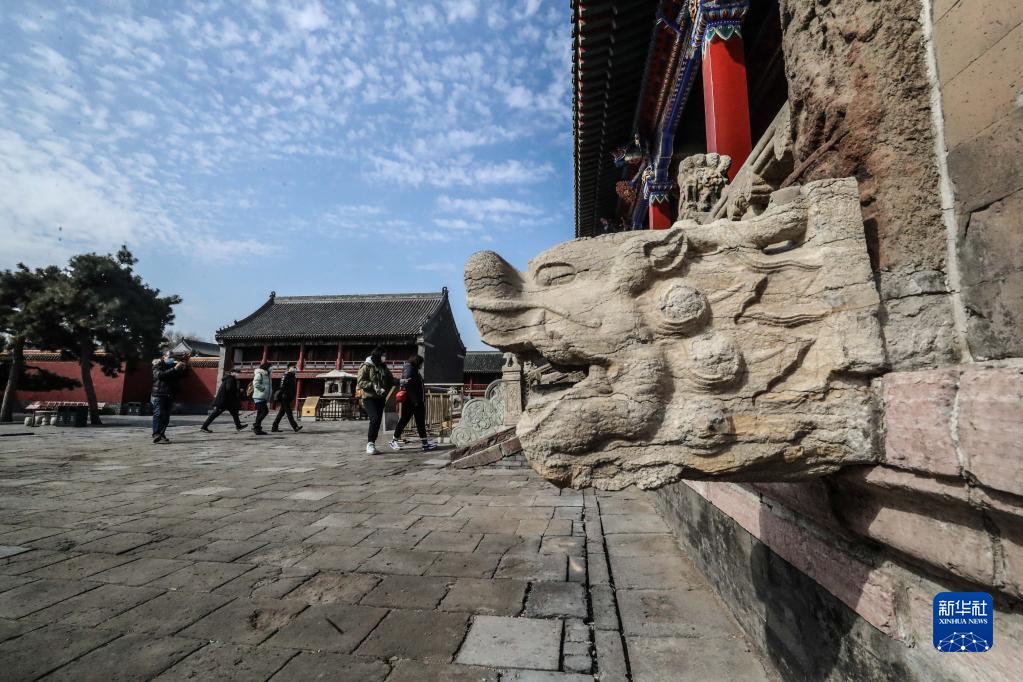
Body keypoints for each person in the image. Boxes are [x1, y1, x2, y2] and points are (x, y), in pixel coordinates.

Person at [389, 354, 436, 451]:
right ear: (417, 362)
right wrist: (415, 401)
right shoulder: (410, 370)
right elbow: (408, 385)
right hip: (412, 402)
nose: (422, 365)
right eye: (421, 363)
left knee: (419, 422)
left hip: (415, 401)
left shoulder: (413, 369)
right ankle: (394, 441)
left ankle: (425, 443)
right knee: (405, 421)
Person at [357, 346, 395, 454]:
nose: (384, 357)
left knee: (377, 421)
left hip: (380, 398)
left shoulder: (383, 368)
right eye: (383, 355)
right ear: (378, 355)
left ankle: (372, 443)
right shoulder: (366, 366)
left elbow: (391, 380)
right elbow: (360, 381)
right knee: (374, 418)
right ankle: (369, 444)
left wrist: (401, 381)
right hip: (369, 397)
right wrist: (373, 385)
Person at [151, 350, 189, 444]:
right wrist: (175, 369)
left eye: (173, 357)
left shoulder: (174, 365)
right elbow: (160, 375)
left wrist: (186, 365)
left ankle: (162, 434)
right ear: (164, 357)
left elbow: (183, 375)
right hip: (159, 393)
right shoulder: (157, 364)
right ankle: (156, 434)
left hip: (170, 393)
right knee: (159, 414)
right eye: (169, 356)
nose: (171, 358)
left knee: (166, 417)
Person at [200, 369, 247, 433]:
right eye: (236, 372)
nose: (237, 374)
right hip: (224, 401)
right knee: (214, 414)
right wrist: (238, 390)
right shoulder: (230, 378)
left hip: (228, 401)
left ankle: (238, 426)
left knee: (235, 413)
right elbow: (229, 388)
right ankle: (204, 427)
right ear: (231, 372)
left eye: (238, 373)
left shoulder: (228, 378)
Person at [272, 363, 302, 433]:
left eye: (295, 367)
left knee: (281, 413)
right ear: (289, 368)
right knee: (289, 412)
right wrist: (284, 394)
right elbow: (282, 386)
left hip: (289, 396)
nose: (295, 368)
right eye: (293, 367)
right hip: (285, 396)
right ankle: (295, 427)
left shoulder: (292, 376)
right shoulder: (286, 375)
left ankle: (274, 427)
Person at [252, 361, 272, 435]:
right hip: (259, 396)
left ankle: (257, 430)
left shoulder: (267, 375)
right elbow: (256, 383)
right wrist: (263, 389)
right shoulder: (259, 374)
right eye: (270, 367)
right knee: (265, 411)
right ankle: (256, 425)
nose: (271, 368)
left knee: (260, 412)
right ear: (267, 367)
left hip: (263, 397)